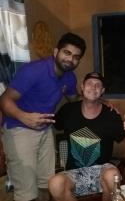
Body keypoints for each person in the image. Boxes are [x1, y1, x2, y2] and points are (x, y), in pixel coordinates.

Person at [0, 32, 86, 201]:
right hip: (19, 129)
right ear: (56, 52)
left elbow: (75, 98)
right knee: (27, 192)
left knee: (47, 186)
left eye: (76, 57)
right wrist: (23, 116)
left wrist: (102, 101)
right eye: (67, 53)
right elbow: (4, 100)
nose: (70, 59)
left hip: (45, 131)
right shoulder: (33, 71)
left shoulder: (69, 77)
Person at [48, 72, 125, 201]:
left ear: (102, 91)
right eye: (89, 84)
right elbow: (53, 124)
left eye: (97, 85)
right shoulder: (68, 111)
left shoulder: (110, 115)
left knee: (112, 176)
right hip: (74, 174)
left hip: (101, 171)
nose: (93, 87)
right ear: (82, 87)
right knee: (55, 183)